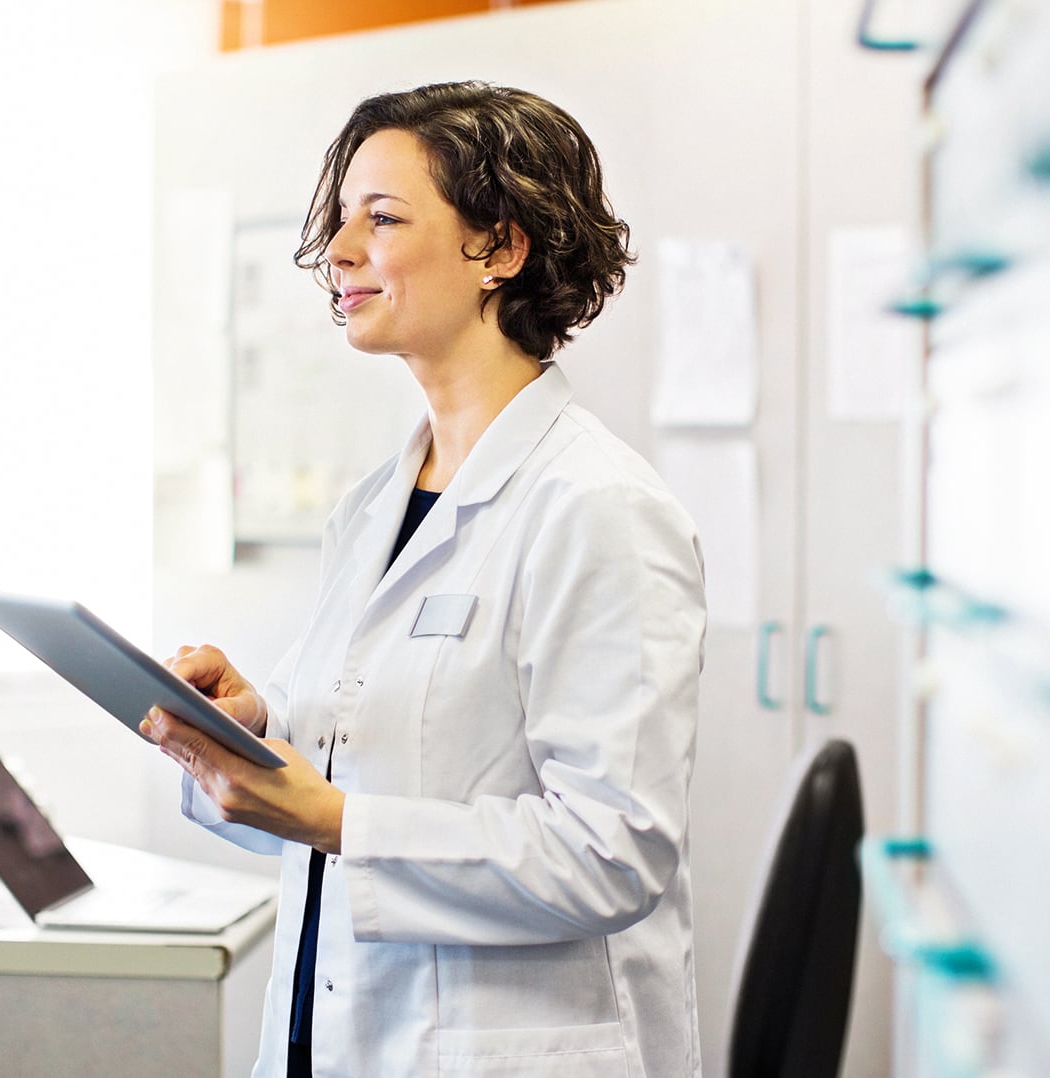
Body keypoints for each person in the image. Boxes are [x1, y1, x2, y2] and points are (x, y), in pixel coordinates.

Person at [141, 80, 706, 1078]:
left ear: (499, 248)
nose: (338, 249)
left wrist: (335, 818)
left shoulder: (596, 507)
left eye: (383, 217)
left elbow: (613, 853)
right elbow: (372, 764)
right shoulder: (371, 509)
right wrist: (253, 731)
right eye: (342, 217)